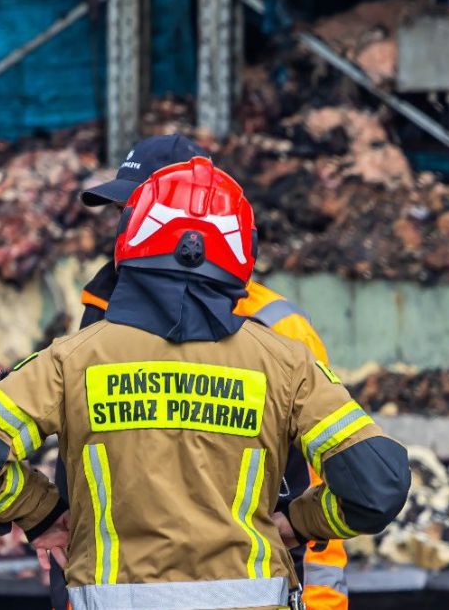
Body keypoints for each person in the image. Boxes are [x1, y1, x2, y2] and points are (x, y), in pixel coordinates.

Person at [0, 156, 410, 610]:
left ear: (131, 241)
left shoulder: (72, 360)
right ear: (242, 253)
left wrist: (41, 512)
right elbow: (377, 487)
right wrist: (302, 522)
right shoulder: (286, 365)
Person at [78, 134, 351, 609]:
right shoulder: (103, 305)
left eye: (140, 211)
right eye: (123, 213)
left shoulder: (277, 327)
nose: (124, 228)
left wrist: (323, 599)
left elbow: (323, 480)